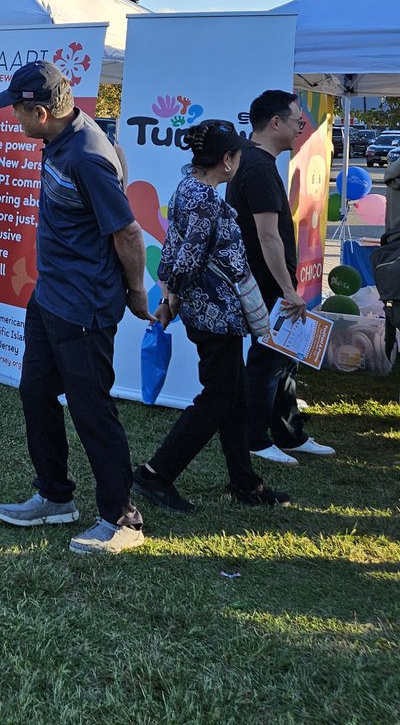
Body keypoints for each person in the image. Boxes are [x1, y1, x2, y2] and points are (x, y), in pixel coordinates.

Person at [0, 62, 152, 556]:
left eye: (18, 111)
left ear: (41, 112)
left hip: (84, 306)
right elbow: (118, 165)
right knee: (35, 392)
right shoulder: (64, 138)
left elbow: (128, 233)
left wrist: (136, 292)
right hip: (50, 297)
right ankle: (55, 496)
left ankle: (122, 519)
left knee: (91, 410)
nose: (13, 118)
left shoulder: (85, 156)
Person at [135, 121, 290, 511]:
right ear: (227, 160)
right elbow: (188, 258)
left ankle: (245, 482)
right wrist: (171, 298)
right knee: (219, 398)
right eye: (237, 154)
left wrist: (169, 294)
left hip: (212, 313)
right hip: (215, 315)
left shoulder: (187, 188)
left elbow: (173, 247)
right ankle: (155, 474)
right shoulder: (206, 200)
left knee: (235, 397)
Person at [227, 90, 336, 464]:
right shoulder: (257, 167)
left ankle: (289, 432)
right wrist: (288, 290)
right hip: (267, 283)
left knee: (284, 359)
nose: (301, 129)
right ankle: (255, 439)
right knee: (268, 360)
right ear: (275, 123)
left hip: (269, 281)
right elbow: (267, 235)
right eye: (297, 122)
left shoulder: (254, 161)